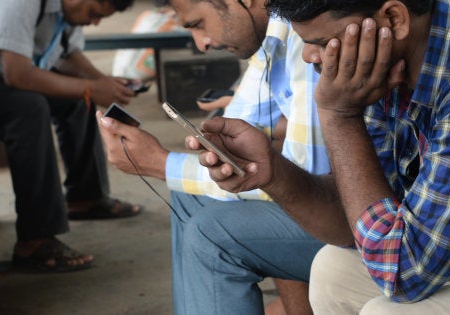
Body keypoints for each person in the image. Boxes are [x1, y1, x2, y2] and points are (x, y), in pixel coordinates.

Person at [190, 0, 450, 313]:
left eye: (323, 42)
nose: (309, 57)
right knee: (332, 270)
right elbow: (355, 227)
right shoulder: (397, 52)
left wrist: (338, 117)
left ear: (393, 17)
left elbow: (403, 274)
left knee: (388, 311)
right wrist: (273, 172)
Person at [97, 0, 328, 313]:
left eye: (197, 24)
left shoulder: (306, 37)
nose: (201, 44)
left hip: (346, 217)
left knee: (212, 234)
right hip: (324, 199)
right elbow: (238, 127)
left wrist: (161, 163)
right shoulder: (272, 37)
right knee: (188, 196)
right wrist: (204, 152)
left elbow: (303, 185)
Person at [0, 0, 143, 273]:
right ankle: (34, 242)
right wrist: (90, 88)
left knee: (77, 99)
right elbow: (17, 74)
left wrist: (103, 84)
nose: (95, 22)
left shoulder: (64, 12)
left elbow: (64, 55)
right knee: (27, 109)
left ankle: (84, 198)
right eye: (95, 14)